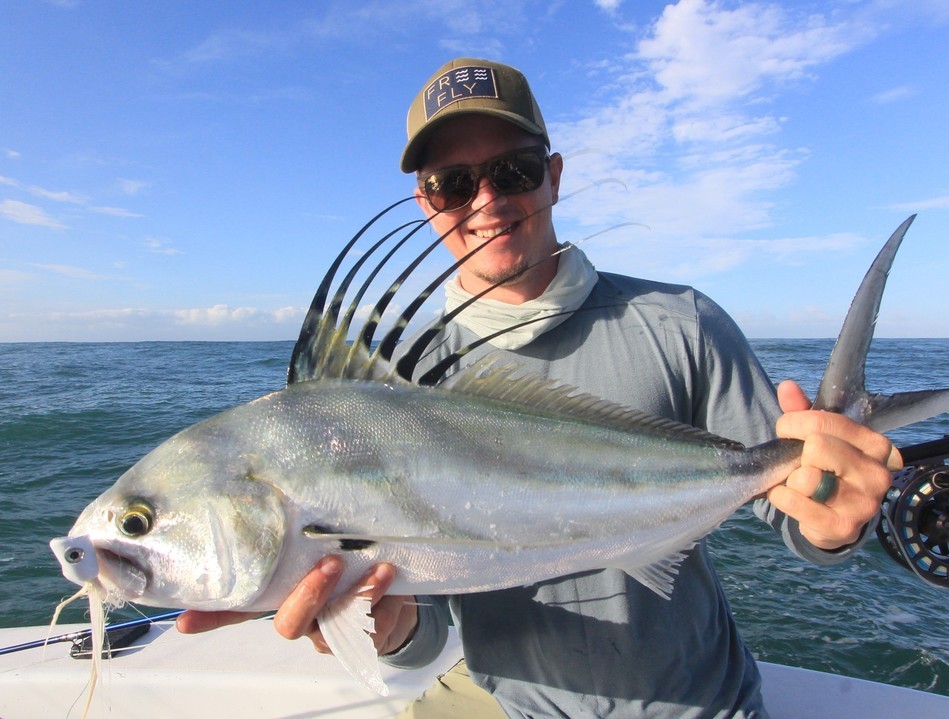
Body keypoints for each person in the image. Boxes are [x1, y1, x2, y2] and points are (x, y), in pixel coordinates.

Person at [179, 58, 895, 718]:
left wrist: (834, 511)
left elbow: (796, 507)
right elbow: (426, 632)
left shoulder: (680, 322)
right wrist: (390, 626)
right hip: (509, 705)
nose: (487, 201)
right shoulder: (403, 384)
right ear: (427, 201)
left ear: (553, 176)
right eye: (454, 184)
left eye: (513, 170)